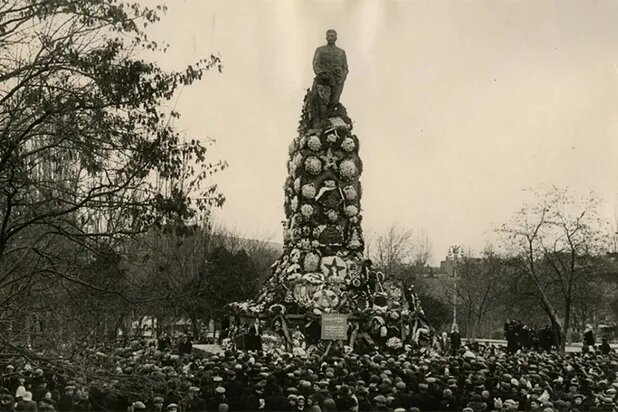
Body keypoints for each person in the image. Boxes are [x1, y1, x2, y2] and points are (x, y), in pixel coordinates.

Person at [312, 29, 349, 115]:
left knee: (334, 102)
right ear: (326, 37)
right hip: (325, 82)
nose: (330, 38)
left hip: (338, 82)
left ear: (336, 38)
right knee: (323, 103)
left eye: (332, 36)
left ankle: (330, 119)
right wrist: (321, 74)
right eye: (328, 36)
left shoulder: (341, 52)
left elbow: (345, 68)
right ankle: (323, 121)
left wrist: (342, 77)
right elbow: (316, 64)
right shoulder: (320, 50)